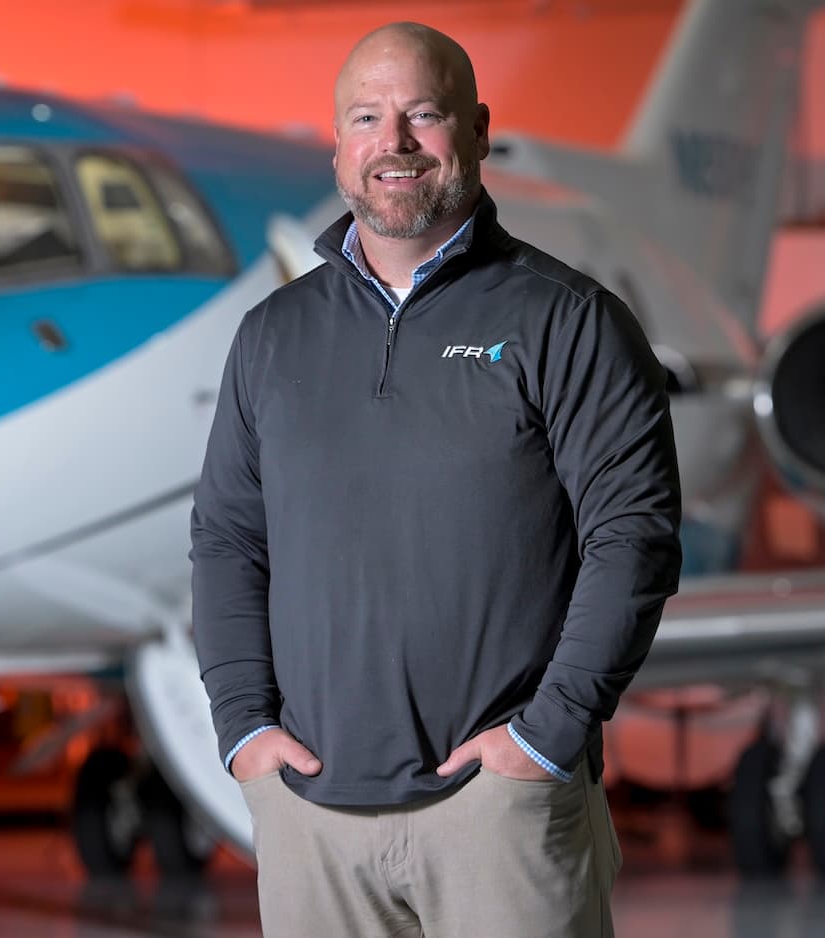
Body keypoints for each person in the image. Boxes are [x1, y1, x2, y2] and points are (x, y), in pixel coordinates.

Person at [189, 21, 683, 938]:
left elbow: (634, 540)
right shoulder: (271, 336)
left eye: (423, 113)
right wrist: (243, 730)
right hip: (311, 819)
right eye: (367, 118)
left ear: (477, 129)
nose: (395, 143)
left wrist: (544, 740)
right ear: (338, 147)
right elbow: (225, 541)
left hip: (497, 815)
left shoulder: (568, 321)